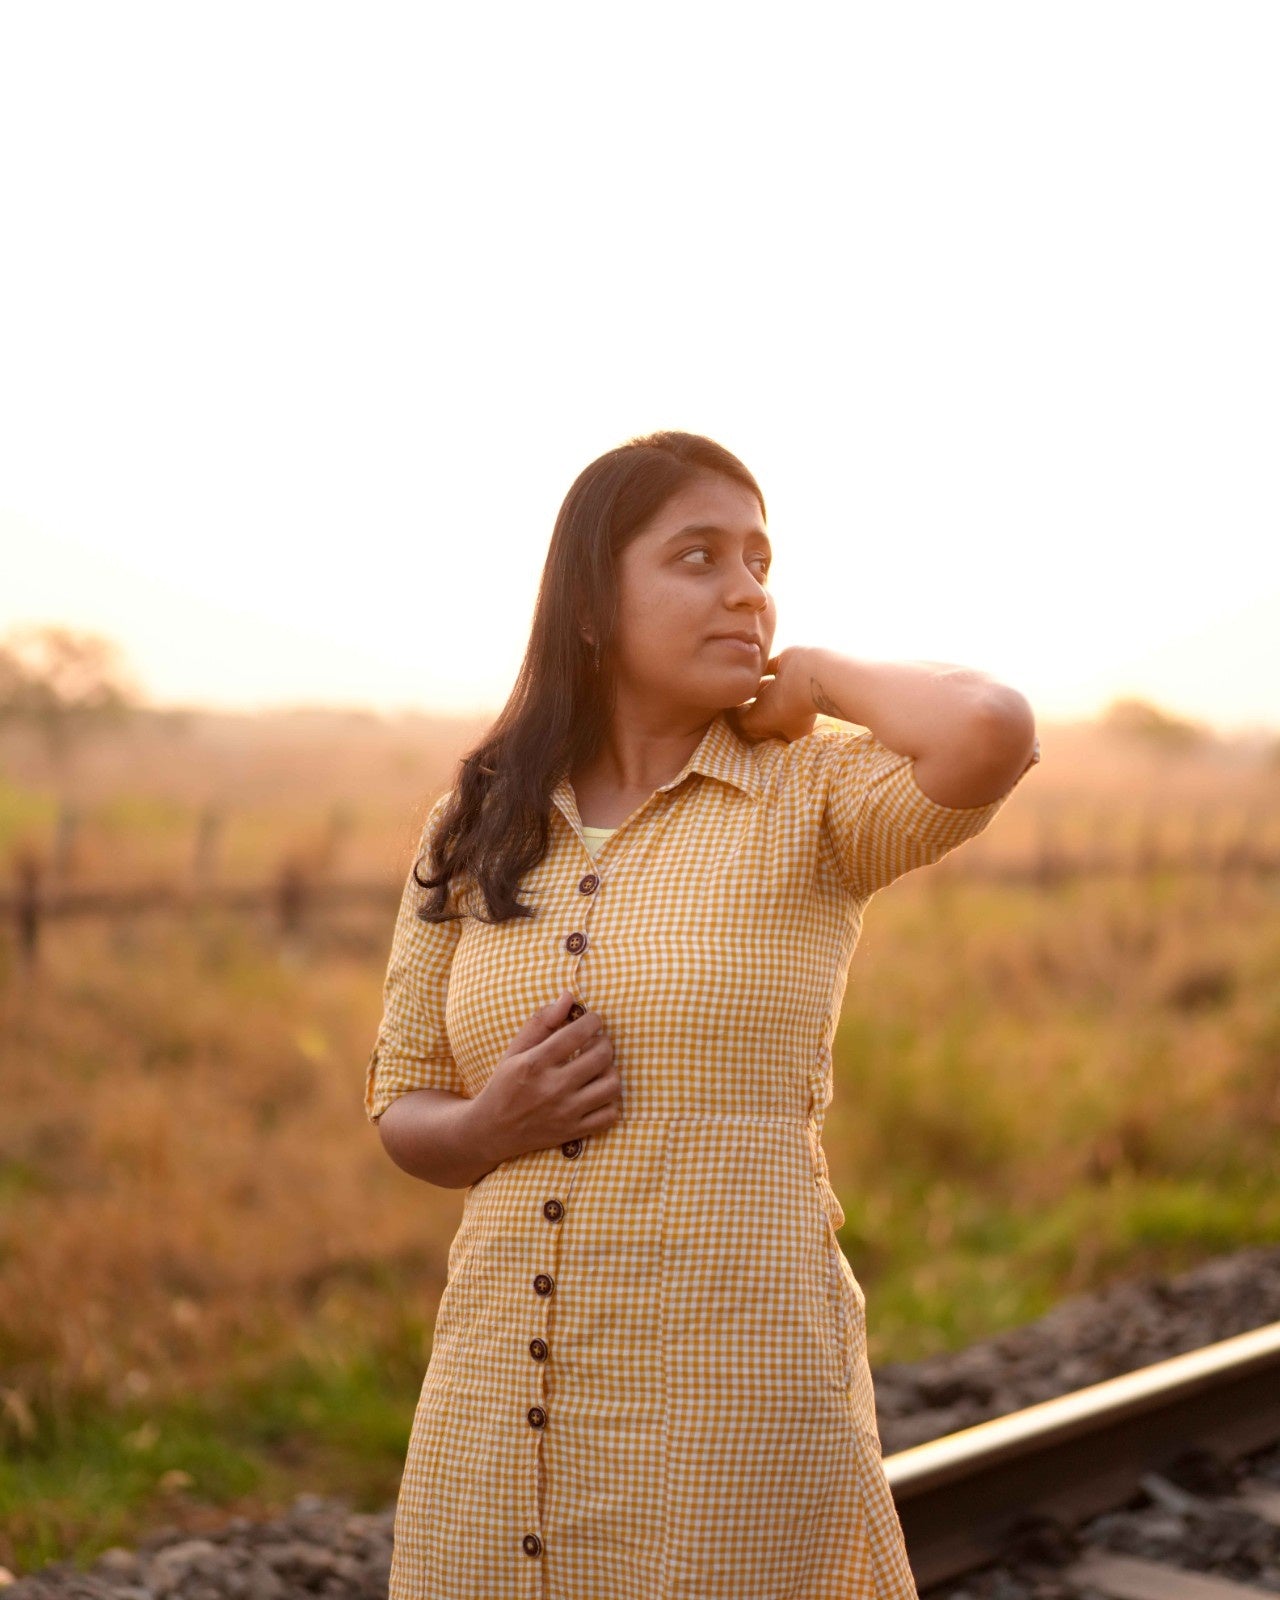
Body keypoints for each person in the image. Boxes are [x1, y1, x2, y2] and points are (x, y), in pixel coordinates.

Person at [364, 430, 1040, 1599]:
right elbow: (400, 1096)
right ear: (589, 603)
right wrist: (482, 1129)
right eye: (696, 556)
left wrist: (819, 678)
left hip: (732, 1390)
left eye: (758, 559)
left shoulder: (814, 795)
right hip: (498, 1392)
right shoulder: (473, 822)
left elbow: (989, 730)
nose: (746, 591)